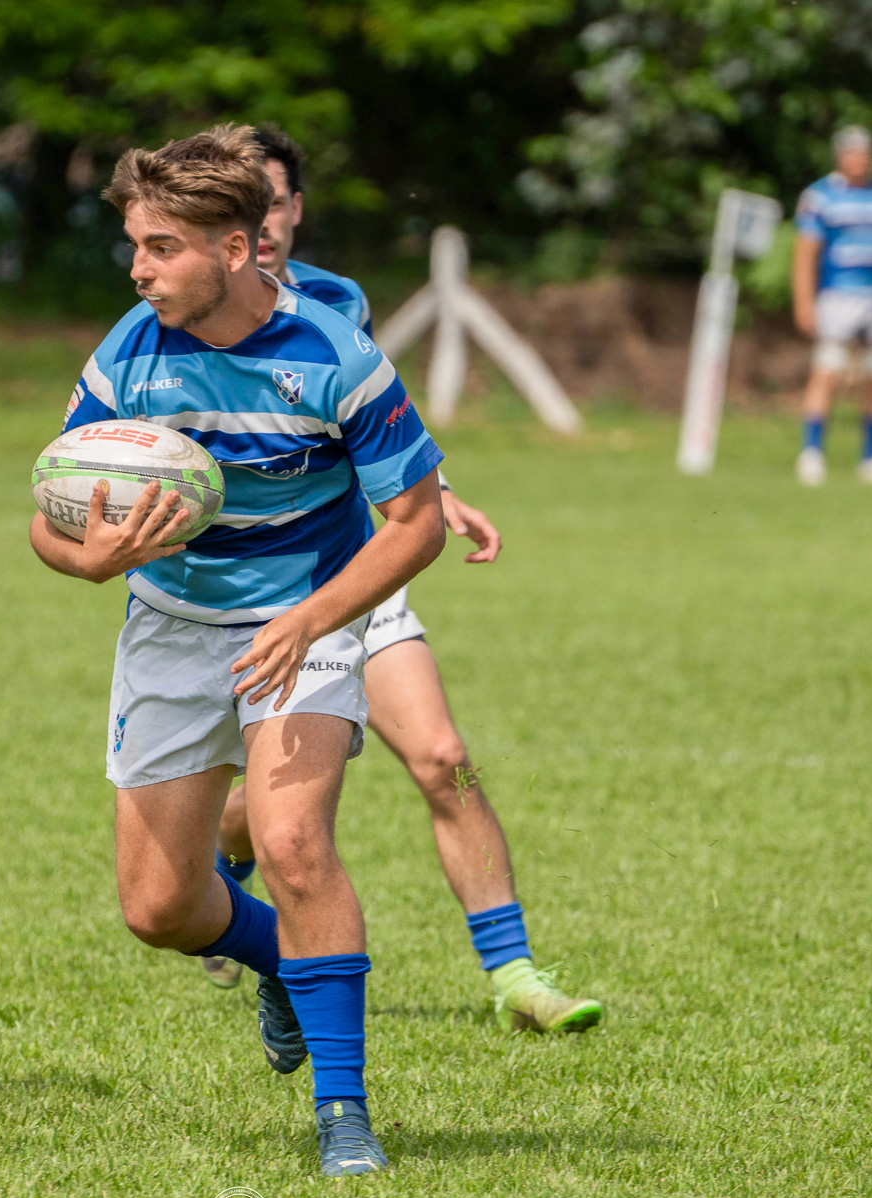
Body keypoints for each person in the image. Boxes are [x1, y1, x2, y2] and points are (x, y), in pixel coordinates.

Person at [30, 125, 445, 1176]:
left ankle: (344, 1112)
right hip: (170, 625)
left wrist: (314, 619)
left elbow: (417, 522)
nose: (138, 269)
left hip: (305, 621)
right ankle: (278, 958)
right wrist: (86, 559)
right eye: (135, 245)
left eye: (161, 248)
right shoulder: (128, 354)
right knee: (159, 907)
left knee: (293, 841)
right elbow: (47, 514)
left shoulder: (336, 356)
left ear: (236, 248)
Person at [197, 128, 604, 1039]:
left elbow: (379, 426)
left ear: (294, 209)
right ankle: (228, 872)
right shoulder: (184, 315)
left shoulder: (339, 302)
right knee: (268, 809)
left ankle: (516, 975)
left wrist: (440, 492)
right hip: (251, 593)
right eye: (243, 203)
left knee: (445, 757)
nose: (262, 221)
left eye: (273, 200)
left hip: (357, 578)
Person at [791, 126, 872, 488]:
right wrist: (804, 302)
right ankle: (812, 451)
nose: (859, 160)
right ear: (839, 156)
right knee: (829, 369)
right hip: (837, 293)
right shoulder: (820, 196)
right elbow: (805, 255)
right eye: (852, 153)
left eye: (864, 153)